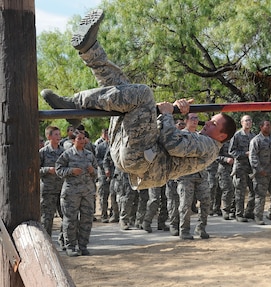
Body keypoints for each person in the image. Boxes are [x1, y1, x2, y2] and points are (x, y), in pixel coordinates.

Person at [41, 9, 236, 191]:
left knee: (143, 94)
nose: (207, 123)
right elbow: (162, 133)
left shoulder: (210, 147)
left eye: (213, 124)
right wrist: (170, 110)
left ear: (221, 136)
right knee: (123, 90)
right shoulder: (202, 140)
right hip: (134, 153)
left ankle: (75, 104)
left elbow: (173, 144)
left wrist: (167, 114)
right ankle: (90, 50)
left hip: (142, 160)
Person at [56, 130, 98, 256]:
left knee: (87, 219)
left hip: (87, 192)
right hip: (71, 193)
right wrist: (71, 171)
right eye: (79, 138)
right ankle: (70, 247)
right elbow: (58, 169)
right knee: (70, 220)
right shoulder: (67, 154)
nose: (82, 141)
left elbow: (96, 173)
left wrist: (92, 171)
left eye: (83, 138)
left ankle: (83, 246)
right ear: (73, 140)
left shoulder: (89, 155)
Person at [176, 113, 212, 240]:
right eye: (192, 118)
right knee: (185, 204)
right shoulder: (180, 134)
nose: (195, 120)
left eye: (197, 118)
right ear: (186, 121)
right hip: (186, 175)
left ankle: (201, 228)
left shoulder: (200, 136)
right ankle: (184, 230)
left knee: (206, 200)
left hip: (201, 174)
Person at [248, 120, 271, 225]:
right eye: (266, 125)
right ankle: (258, 216)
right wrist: (259, 169)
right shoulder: (256, 140)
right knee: (260, 196)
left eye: (270, 125)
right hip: (261, 174)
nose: (268, 127)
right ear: (261, 127)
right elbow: (252, 156)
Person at [39, 126, 65, 247]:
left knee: (66, 216)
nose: (58, 136)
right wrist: (47, 170)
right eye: (56, 134)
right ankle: (46, 244)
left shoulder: (63, 152)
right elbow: (35, 170)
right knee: (47, 219)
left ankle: (63, 240)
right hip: (48, 189)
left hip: (62, 189)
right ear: (49, 137)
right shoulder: (43, 152)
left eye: (59, 134)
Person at [228, 114, 256, 222]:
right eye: (246, 120)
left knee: (254, 190)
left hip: (252, 167)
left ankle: (249, 211)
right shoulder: (237, 135)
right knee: (240, 191)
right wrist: (244, 154)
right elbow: (231, 151)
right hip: (240, 167)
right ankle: (239, 214)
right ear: (241, 122)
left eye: (250, 120)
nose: (248, 122)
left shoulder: (254, 136)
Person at [217, 140, 236, 220]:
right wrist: (225, 159)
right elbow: (215, 156)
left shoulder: (236, 139)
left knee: (236, 189)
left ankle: (233, 211)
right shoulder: (222, 141)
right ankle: (226, 210)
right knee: (228, 189)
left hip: (237, 168)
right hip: (224, 168)